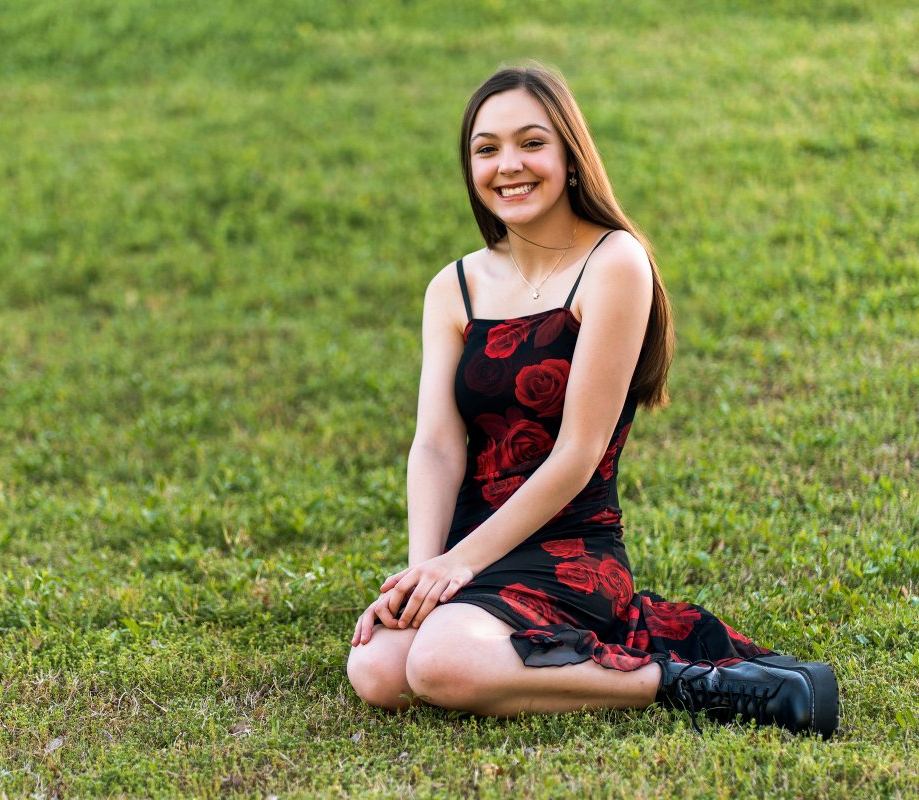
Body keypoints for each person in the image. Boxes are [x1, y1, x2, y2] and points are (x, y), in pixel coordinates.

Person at [345, 65, 839, 738]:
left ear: (569, 156)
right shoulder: (452, 287)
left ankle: (693, 685)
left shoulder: (614, 263)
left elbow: (578, 453)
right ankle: (500, 652)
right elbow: (435, 444)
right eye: (486, 148)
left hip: (571, 549)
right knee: (377, 669)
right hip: (472, 543)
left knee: (438, 664)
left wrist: (458, 566)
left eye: (530, 143)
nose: (508, 165)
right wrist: (421, 572)